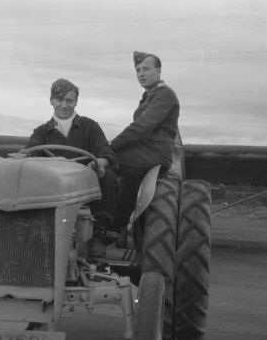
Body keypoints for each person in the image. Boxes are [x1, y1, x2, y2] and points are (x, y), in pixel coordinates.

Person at [23, 78, 118, 249]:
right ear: (51, 101)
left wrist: (99, 164)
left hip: (84, 186)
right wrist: (22, 158)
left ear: (76, 102)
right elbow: (29, 153)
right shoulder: (42, 132)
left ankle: (98, 234)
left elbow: (105, 152)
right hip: (53, 187)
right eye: (59, 100)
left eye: (69, 100)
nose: (64, 105)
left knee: (108, 177)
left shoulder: (90, 127)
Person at [110, 51, 180, 231]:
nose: (141, 73)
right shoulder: (150, 95)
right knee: (126, 182)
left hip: (154, 154)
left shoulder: (164, 94)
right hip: (145, 153)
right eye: (138, 70)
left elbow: (142, 127)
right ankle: (113, 229)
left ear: (158, 71)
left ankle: (106, 227)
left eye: (146, 69)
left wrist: (109, 147)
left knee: (104, 162)